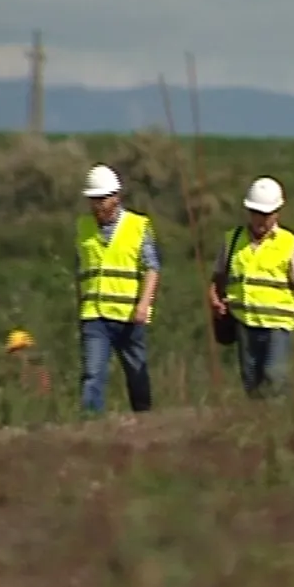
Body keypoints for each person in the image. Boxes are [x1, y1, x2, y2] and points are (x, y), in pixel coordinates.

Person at [209, 176, 294, 399]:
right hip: (243, 322)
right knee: (251, 380)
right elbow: (218, 276)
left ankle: (278, 424)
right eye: (257, 212)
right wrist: (215, 299)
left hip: (277, 325)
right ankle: (258, 423)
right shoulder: (232, 239)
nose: (261, 219)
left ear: (277, 213)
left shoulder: (290, 244)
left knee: (275, 377)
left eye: (266, 214)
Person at [75, 163, 161, 418]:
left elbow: (152, 268)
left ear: (116, 197)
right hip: (94, 315)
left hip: (129, 315)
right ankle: (91, 423)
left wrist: (144, 305)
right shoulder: (82, 228)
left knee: (137, 372)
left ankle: (144, 417)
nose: (98, 206)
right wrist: (79, 309)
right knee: (92, 373)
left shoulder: (138, 226)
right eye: (93, 200)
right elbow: (80, 271)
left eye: (102, 200)